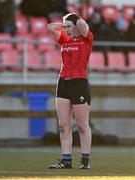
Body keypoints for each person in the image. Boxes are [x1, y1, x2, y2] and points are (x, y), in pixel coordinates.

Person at [47, 12, 94, 169]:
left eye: (69, 26)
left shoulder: (86, 38)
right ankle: (66, 160)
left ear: (76, 25)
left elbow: (83, 25)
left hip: (79, 83)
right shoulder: (64, 40)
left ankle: (85, 161)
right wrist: (65, 25)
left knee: (82, 125)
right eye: (65, 27)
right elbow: (50, 27)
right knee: (63, 125)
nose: (66, 29)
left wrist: (74, 21)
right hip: (63, 83)